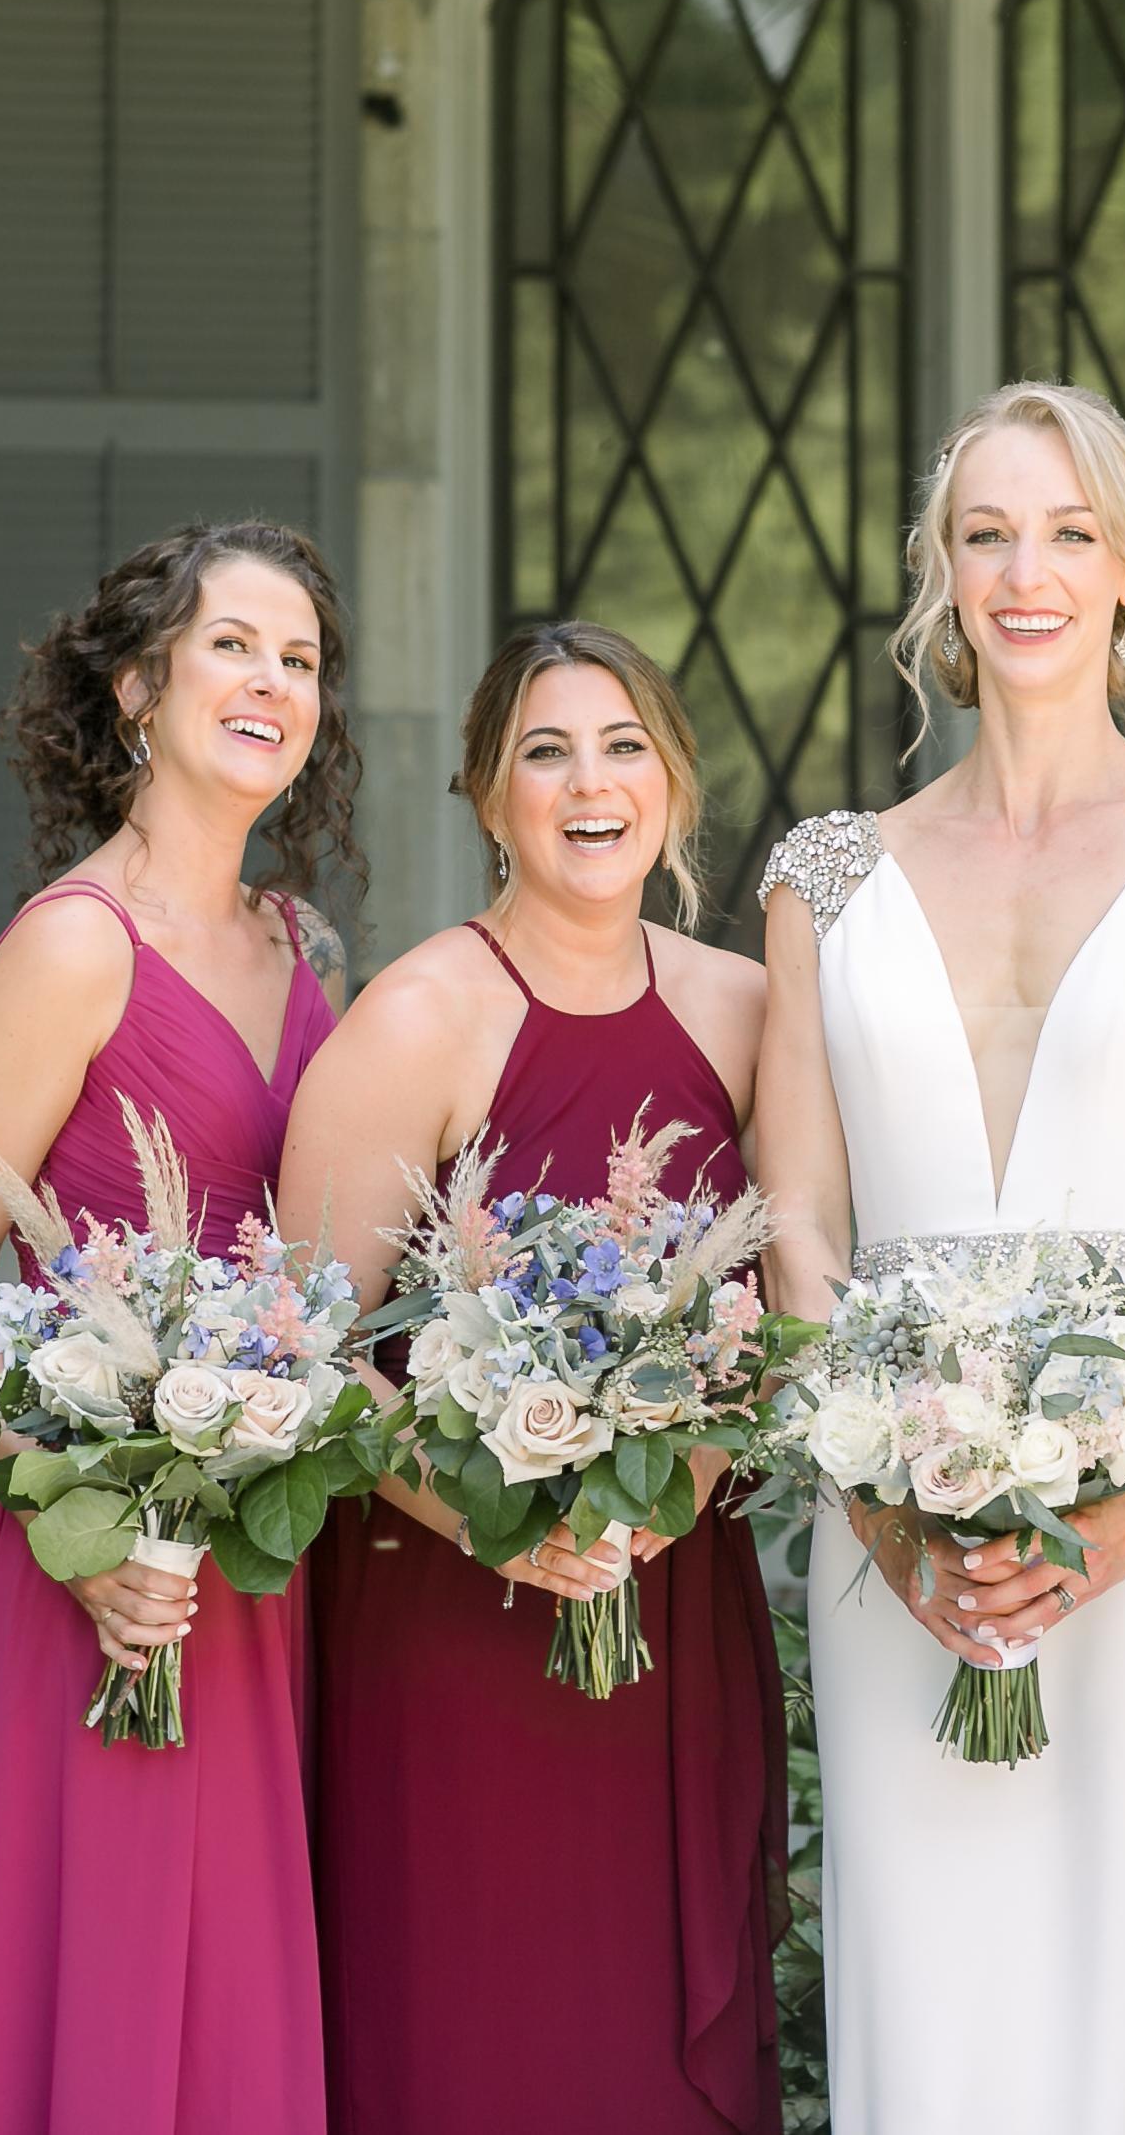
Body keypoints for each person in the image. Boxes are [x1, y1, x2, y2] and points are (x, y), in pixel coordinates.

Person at [752, 381, 1125, 2135]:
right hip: (892, 1522)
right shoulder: (822, 879)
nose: (1028, 573)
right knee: (923, 1968)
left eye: (1069, 534)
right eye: (988, 533)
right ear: (940, 572)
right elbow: (801, 1225)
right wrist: (888, 1514)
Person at [278, 619, 783, 2133]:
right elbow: (301, 1345)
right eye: (545, 754)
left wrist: (675, 1482)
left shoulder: (749, 1010)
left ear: (674, 782)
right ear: (490, 796)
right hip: (453, 1612)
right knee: (479, 2028)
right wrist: (496, 1525)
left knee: (643, 2036)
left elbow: (788, 1308)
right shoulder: (418, 1016)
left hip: (671, 1597)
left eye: (624, 747)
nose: (590, 784)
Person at [0, 520, 361, 2135]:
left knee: (226, 1984)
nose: (272, 683)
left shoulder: (302, 948)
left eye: (300, 660)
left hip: (249, 1537)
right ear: (138, 689)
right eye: (233, 646)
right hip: (84, 1547)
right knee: (94, 1960)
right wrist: (70, 1528)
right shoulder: (73, 947)